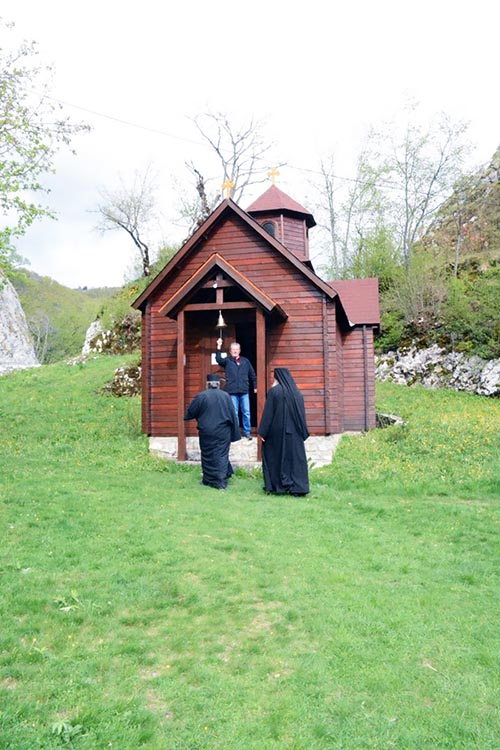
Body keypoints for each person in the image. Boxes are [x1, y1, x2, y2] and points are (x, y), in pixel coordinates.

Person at [258, 367, 310, 496]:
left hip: (277, 432)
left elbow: (268, 413)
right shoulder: (296, 393)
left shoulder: (274, 392)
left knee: (275, 457)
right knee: (295, 459)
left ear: (277, 378)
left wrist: (263, 432)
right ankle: (298, 488)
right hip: (295, 433)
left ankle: (278, 486)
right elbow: (301, 415)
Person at [184, 373, 241, 490]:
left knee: (207, 455)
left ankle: (207, 479)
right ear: (218, 385)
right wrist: (235, 433)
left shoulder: (201, 396)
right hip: (222, 432)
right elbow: (232, 415)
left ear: (207, 384)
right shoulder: (226, 396)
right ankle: (220, 482)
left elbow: (190, 412)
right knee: (221, 455)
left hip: (206, 431)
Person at [215, 338, 257, 440]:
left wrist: (255, 386)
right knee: (234, 413)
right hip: (232, 391)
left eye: (236, 349)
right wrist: (219, 346)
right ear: (230, 351)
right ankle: (236, 433)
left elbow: (252, 374)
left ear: (239, 350)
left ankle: (247, 432)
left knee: (246, 412)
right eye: (233, 349)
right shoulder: (227, 361)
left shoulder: (245, 361)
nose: (235, 351)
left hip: (244, 391)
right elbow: (218, 359)